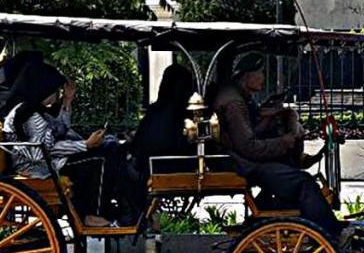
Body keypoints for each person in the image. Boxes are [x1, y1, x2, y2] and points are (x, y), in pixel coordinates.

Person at [211, 52, 342, 236]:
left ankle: (272, 219)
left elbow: (249, 130)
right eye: (261, 72)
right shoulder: (234, 103)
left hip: (240, 159)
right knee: (304, 183)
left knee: (291, 176)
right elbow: (249, 147)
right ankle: (331, 235)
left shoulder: (237, 96)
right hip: (243, 164)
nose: (264, 77)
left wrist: (272, 117)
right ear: (246, 75)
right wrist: (283, 142)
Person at [2, 62, 137, 226]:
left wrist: (67, 102)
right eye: (55, 90)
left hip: (49, 161)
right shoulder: (28, 114)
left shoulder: (35, 110)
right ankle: (93, 213)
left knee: (110, 144)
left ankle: (118, 207)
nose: (57, 94)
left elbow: (61, 130)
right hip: (38, 167)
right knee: (104, 155)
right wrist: (85, 145)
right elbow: (41, 151)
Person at [131, 63, 197, 180]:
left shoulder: (155, 110)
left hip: (151, 168)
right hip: (178, 167)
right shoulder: (185, 113)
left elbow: (138, 146)